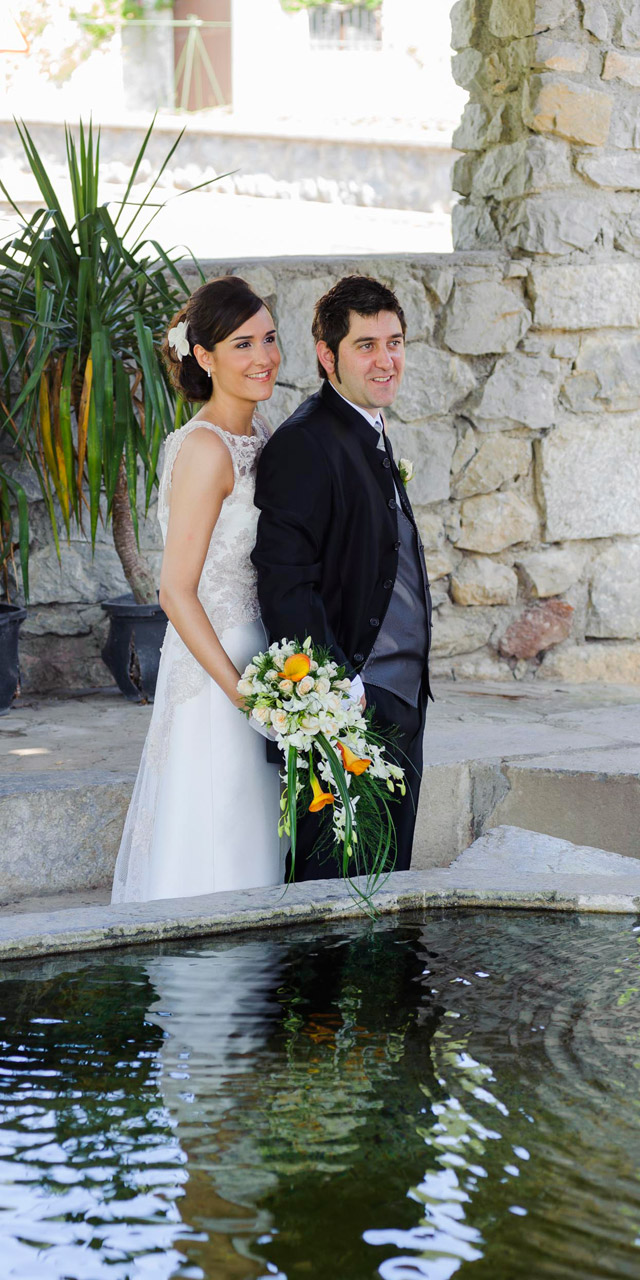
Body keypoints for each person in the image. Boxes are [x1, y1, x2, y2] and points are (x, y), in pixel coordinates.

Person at [252, 274, 432, 880]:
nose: (386, 360)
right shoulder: (305, 443)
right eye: (366, 345)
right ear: (328, 356)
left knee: (386, 882)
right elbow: (284, 582)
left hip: (400, 700)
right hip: (350, 707)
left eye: (395, 342)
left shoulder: (368, 427)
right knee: (332, 896)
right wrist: (337, 691)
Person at [112, 277, 284, 902]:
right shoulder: (207, 449)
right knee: (219, 837)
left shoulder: (260, 432)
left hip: (262, 656)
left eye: (269, 339)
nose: (263, 357)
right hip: (218, 671)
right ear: (204, 357)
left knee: (257, 836)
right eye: (243, 344)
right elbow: (175, 590)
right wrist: (242, 697)